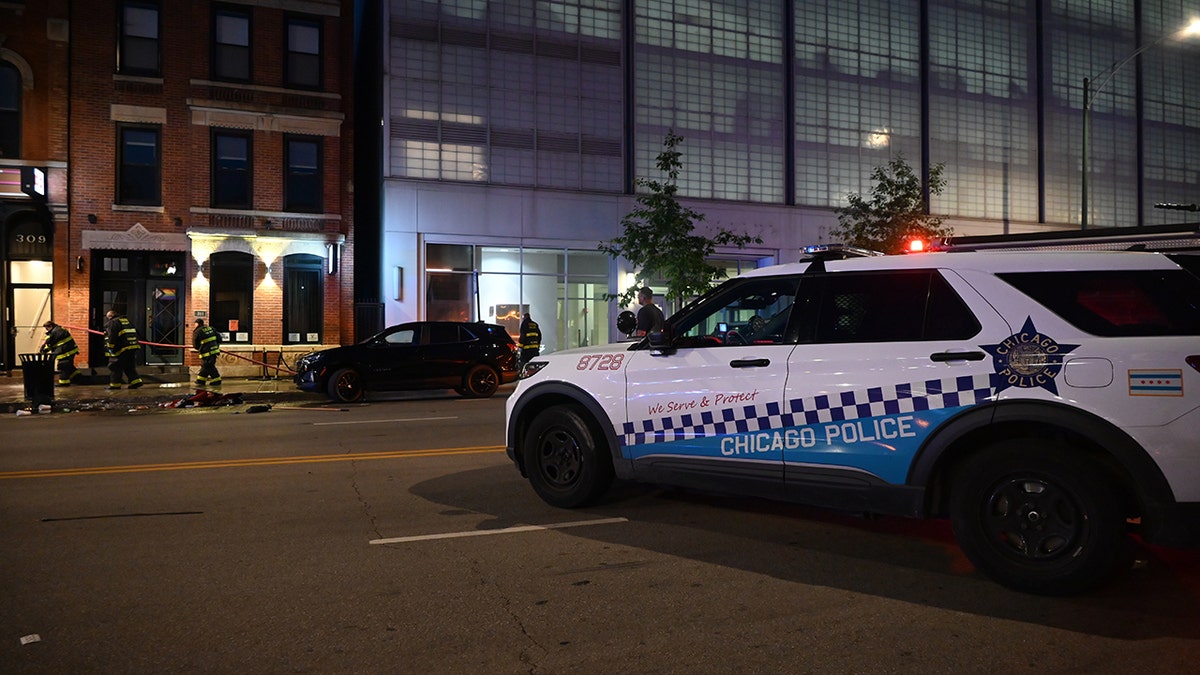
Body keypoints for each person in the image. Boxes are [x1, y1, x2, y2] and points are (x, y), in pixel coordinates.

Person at [104, 309, 143, 389]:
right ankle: (136, 381)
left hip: (122, 348)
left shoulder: (113, 322)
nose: (108, 319)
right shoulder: (126, 320)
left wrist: (110, 347)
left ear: (111, 316)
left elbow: (112, 337)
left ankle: (115, 385)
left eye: (108, 317)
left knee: (115, 366)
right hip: (132, 346)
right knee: (129, 365)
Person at [40, 320, 82, 386]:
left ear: (50, 326)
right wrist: (44, 350)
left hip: (66, 352)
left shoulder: (57, 331)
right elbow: (54, 344)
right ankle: (79, 378)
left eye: (47, 328)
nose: (46, 330)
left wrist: (44, 344)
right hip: (68, 351)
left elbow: (50, 340)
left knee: (63, 366)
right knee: (69, 366)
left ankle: (64, 383)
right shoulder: (58, 330)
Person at [192, 318, 222, 387]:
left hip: (206, 352)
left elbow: (195, 345)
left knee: (208, 366)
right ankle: (201, 381)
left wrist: (200, 348)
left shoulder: (197, 331)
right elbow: (219, 339)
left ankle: (215, 380)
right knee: (208, 366)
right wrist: (216, 345)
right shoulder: (211, 328)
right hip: (214, 351)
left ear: (197, 324)